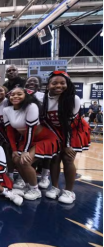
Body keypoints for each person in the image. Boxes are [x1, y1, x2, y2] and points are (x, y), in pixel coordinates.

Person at [3, 87, 60, 201]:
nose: (15, 96)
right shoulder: (6, 110)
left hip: (44, 138)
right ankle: (28, 186)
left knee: (25, 161)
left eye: (19, 94)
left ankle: (35, 190)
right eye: (12, 94)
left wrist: (25, 151)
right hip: (29, 139)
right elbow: (9, 132)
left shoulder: (31, 107)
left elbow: (30, 130)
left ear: (26, 96)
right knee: (16, 160)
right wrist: (14, 150)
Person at [42, 71, 90, 204]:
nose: (59, 86)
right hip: (55, 130)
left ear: (67, 85)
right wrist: (57, 140)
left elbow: (69, 124)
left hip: (73, 130)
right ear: (48, 85)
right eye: (54, 83)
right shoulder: (43, 99)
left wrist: (67, 145)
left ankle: (69, 191)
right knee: (55, 157)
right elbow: (46, 122)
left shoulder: (73, 99)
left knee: (68, 158)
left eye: (62, 83)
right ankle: (55, 187)